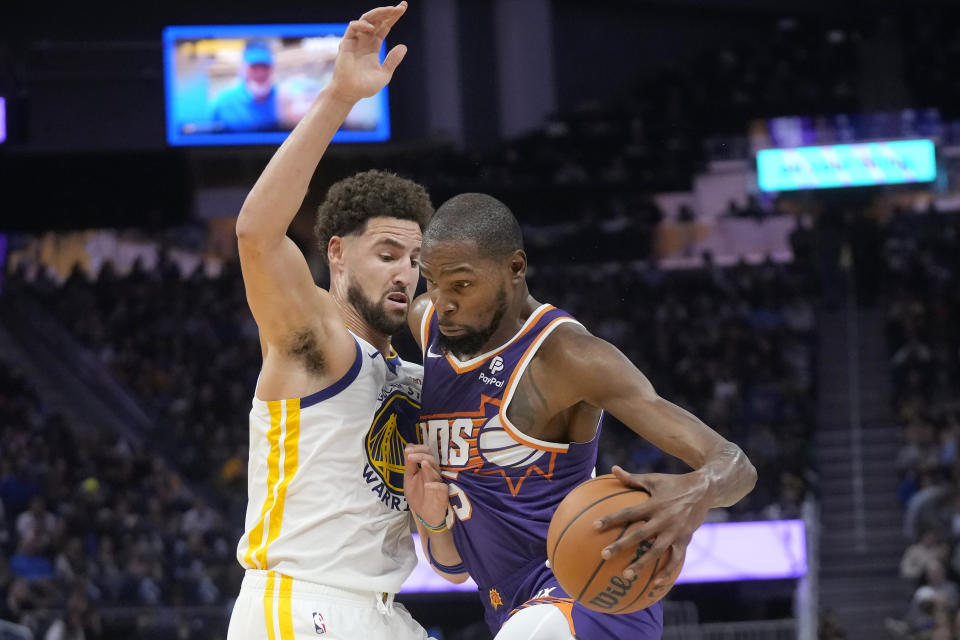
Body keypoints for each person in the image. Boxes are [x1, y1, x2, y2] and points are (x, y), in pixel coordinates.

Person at [404, 194, 757, 639]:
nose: (442, 301)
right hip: (510, 605)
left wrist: (696, 491)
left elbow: (735, 464)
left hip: (587, 589)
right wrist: (432, 519)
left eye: (461, 285)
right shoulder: (427, 326)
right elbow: (453, 569)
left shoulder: (566, 357)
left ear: (515, 268)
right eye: (431, 281)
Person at [228, 4, 434, 639]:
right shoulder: (318, 339)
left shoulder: (418, 376)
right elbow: (256, 234)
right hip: (302, 604)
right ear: (337, 254)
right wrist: (340, 96)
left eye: (416, 259)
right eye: (388, 255)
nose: (406, 273)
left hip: (385, 611)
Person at [210, 40, 280, 132]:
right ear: (242, 69)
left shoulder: (283, 100)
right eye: (254, 67)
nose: (260, 73)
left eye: (265, 67)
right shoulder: (223, 102)